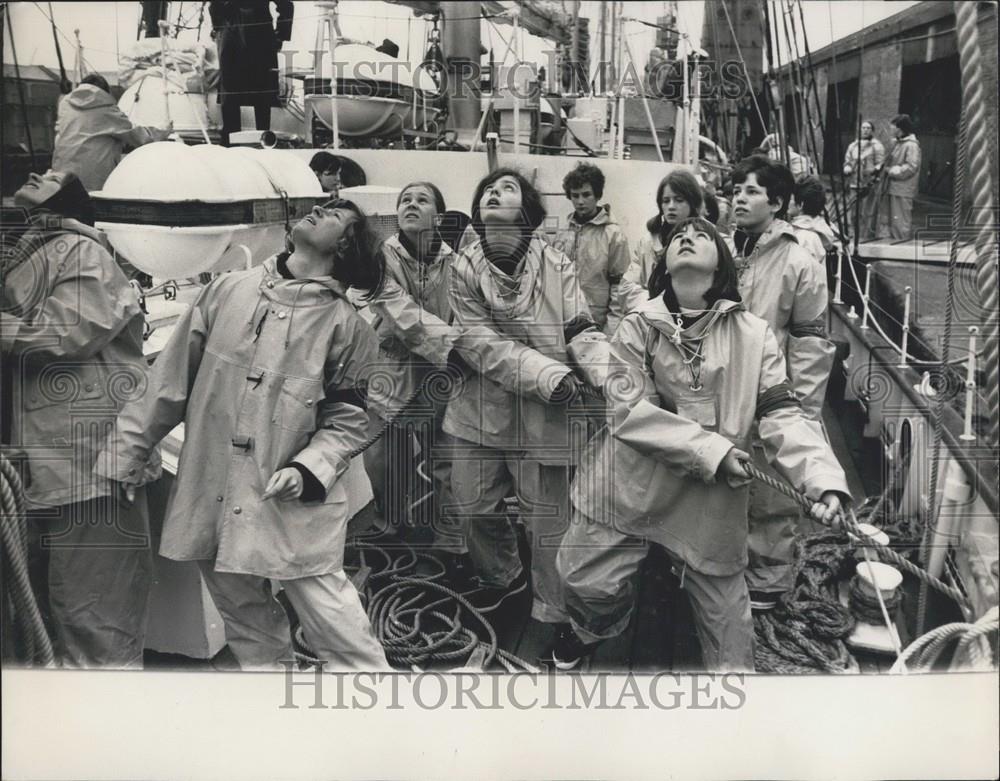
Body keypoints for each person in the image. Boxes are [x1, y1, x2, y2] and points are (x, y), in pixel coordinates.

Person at [95, 198, 391, 670]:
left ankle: (385, 726)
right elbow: (166, 384)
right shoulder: (228, 290)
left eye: (335, 213)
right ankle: (272, 717)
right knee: (248, 627)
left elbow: (350, 419)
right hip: (212, 491)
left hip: (292, 505)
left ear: (346, 245)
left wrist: (307, 469)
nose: (318, 208)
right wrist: (124, 456)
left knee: (340, 631)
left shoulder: (349, 329)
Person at [553, 218, 850, 671]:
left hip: (709, 500)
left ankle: (731, 697)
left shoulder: (755, 336)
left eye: (702, 235)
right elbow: (630, 409)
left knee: (730, 626)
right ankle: (590, 630)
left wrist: (822, 479)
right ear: (665, 264)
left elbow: (781, 413)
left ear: (722, 263)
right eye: (677, 238)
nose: (686, 237)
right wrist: (714, 452)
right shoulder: (636, 328)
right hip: (634, 483)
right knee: (583, 580)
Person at [1, 171, 153, 667]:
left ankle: (106, 731)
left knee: (94, 620)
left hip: (89, 468)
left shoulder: (80, 251)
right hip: (43, 467)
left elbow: (60, 337)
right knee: (48, 613)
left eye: (51, 176)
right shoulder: (26, 253)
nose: (35, 172)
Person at [445, 167, 609, 624]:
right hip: (483, 405)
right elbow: (477, 342)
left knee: (546, 521)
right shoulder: (462, 269)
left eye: (508, 188)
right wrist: (546, 374)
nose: (495, 192)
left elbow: (580, 327)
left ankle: (551, 609)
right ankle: (502, 576)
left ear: (529, 211)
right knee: (473, 506)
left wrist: (608, 373)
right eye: (488, 190)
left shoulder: (557, 264)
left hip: (551, 411)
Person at [730, 155, 835, 610]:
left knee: (772, 490)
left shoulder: (800, 261)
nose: (738, 197)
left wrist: (805, 411)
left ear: (776, 203)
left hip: (774, 392)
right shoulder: (726, 250)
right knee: (728, 478)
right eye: (736, 189)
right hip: (723, 387)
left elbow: (811, 343)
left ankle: (769, 581)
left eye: (751, 191)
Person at [362, 182, 470, 581]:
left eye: (422, 199)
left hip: (441, 374)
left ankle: (451, 541)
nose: (411, 204)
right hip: (393, 369)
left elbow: (467, 310)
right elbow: (397, 311)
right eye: (405, 199)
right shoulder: (380, 258)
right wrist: (455, 346)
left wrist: (458, 349)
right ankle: (388, 524)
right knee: (383, 458)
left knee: (447, 459)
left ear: (438, 217)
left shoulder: (457, 263)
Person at [50, 73, 170, 191]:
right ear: (105, 92)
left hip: (62, 174)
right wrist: (163, 131)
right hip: (91, 179)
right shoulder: (104, 107)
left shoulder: (65, 105)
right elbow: (139, 136)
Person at [551, 163, 631, 335]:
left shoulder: (613, 235)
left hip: (598, 325)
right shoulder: (563, 232)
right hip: (565, 322)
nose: (580, 201)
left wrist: (612, 329)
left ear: (597, 195)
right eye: (575, 195)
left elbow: (620, 287)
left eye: (586, 195)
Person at [209, 0, 294, 147]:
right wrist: (281, 34)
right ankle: (263, 140)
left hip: (232, 29)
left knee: (231, 90)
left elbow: (214, 5)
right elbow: (286, 5)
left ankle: (231, 142)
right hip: (258, 30)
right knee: (261, 90)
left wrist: (218, 27)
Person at [619, 169, 703, 314]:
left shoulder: (706, 242)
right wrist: (656, 303)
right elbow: (626, 288)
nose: (671, 206)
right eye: (666, 201)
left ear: (692, 203)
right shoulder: (647, 242)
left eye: (679, 200)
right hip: (650, 321)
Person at [876, 114, 922, 240]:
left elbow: (911, 167)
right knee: (892, 221)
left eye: (893, 127)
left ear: (900, 129)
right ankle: (893, 242)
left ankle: (901, 243)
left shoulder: (911, 145)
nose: (891, 130)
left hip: (902, 190)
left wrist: (892, 171)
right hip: (893, 188)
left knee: (900, 222)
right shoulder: (898, 143)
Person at [842, 119, 885, 240]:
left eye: (868, 128)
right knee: (854, 212)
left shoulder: (877, 146)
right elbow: (847, 161)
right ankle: (854, 233)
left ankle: (866, 235)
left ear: (872, 131)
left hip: (869, 184)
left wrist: (873, 171)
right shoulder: (853, 145)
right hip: (854, 183)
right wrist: (847, 167)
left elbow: (880, 163)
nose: (865, 130)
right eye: (863, 128)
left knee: (868, 211)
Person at [787, 176, 839, 264]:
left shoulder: (803, 237)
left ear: (801, 205)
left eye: (791, 199)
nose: (787, 202)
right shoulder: (819, 230)